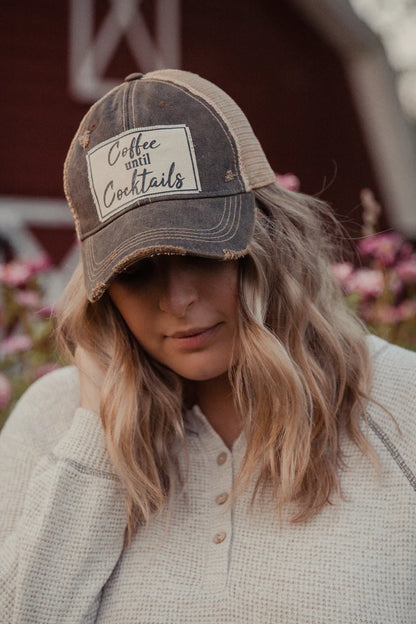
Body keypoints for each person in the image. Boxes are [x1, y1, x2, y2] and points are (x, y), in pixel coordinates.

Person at [0, 69, 415, 624]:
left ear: (270, 238)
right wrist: (98, 431)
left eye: (202, 252)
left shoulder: (399, 403)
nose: (178, 299)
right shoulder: (49, 423)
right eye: (138, 271)